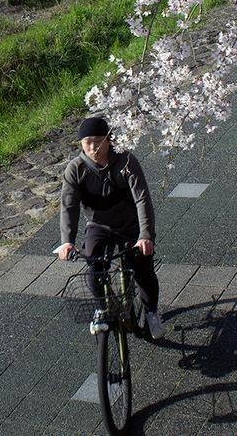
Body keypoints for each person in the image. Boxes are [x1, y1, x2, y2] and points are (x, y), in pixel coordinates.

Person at [56, 115, 165, 339]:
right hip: (99, 225)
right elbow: (69, 206)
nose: (93, 147)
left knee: (143, 270)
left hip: (129, 226)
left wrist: (146, 235)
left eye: (98, 141)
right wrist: (67, 242)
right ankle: (102, 309)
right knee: (93, 267)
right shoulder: (76, 169)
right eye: (87, 142)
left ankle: (152, 312)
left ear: (109, 140)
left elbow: (142, 199)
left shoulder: (125, 161)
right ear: (81, 144)